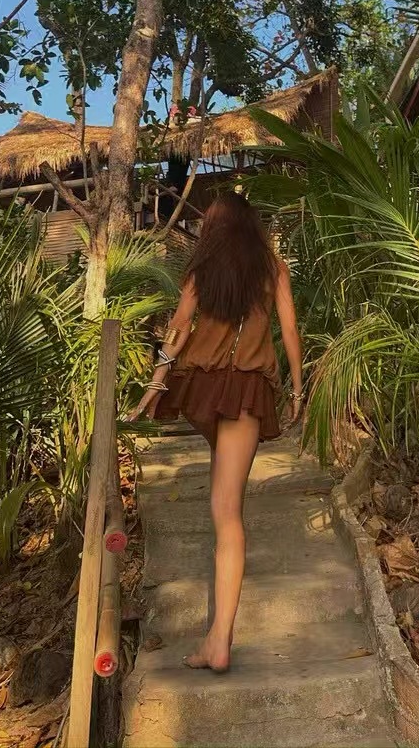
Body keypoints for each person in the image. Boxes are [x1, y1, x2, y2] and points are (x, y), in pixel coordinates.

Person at [127, 191, 304, 673]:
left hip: (201, 390)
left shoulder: (201, 270)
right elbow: (290, 331)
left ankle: (215, 642)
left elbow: (178, 330)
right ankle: (219, 640)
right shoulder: (273, 269)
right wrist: (297, 389)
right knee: (229, 514)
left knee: (220, 495)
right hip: (246, 392)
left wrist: (154, 387)